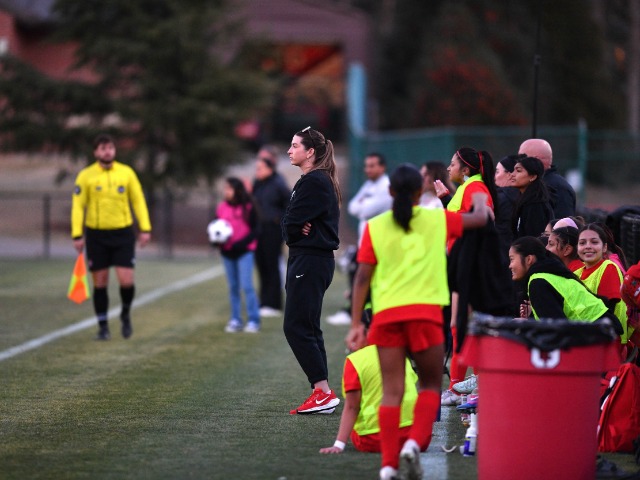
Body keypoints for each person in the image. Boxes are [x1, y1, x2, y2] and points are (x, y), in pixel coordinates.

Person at [346, 164, 491, 480]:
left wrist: (356, 323)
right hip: (425, 315)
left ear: (390, 192)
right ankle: (413, 443)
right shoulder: (436, 219)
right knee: (429, 385)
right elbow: (480, 219)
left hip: (387, 317)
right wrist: (480, 196)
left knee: (391, 393)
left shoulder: (375, 227)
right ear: (419, 191)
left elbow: (362, 278)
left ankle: (388, 465)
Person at [282, 126, 342, 415]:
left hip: (310, 260)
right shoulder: (312, 180)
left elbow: (290, 225)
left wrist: (294, 228)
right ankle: (322, 392)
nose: (289, 150)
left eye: (295, 146)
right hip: (309, 259)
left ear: (311, 152)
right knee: (308, 325)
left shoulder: (315, 181)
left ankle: (323, 392)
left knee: (296, 326)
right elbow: (291, 223)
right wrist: (293, 227)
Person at [71, 133, 151, 341]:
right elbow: (78, 206)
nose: (107, 152)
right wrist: (77, 234)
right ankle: (103, 326)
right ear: (95, 152)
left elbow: (138, 200)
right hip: (96, 235)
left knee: (126, 280)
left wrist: (145, 228)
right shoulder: (86, 176)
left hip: (122, 234)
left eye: (111, 148)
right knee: (100, 282)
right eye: (103, 148)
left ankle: (125, 313)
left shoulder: (126, 173)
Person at [437, 147, 498, 407]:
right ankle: (458, 386)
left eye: (452, 164)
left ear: (465, 169)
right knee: (458, 324)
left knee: (463, 324)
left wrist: (442, 216)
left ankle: (471, 383)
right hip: (463, 263)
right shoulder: (468, 187)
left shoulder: (475, 187)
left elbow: (484, 218)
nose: (448, 168)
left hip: (471, 265)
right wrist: (446, 202)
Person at [326, 152, 392, 326]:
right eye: (366, 166)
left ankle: (356, 314)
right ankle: (355, 312)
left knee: (364, 278)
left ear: (382, 167)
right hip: (365, 241)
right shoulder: (369, 185)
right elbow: (353, 207)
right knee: (356, 275)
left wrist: (363, 206)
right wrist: (363, 206)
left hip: (378, 244)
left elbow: (365, 211)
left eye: (372, 166)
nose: (367, 169)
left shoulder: (385, 187)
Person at [319, 345, 421, 455]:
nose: (349, 341)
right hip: (416, 438)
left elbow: (352, 407)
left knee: (356, 425)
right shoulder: (400, 353)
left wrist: (338, 444)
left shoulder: (355, 360)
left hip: (374, 440)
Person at [509, 236, 612, 323]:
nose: (510, 266)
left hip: (600, 332)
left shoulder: (537, 282)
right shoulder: (546, 275)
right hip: (601, 328)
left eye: (512, 259)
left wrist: (527, 327)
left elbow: (556, 329)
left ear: (529, 259)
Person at [214, 177, 261, 333]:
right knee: (233, 287)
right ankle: (235, 319)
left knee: (247, 286)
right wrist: (216, 242)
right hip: (227, 253)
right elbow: (215, 228)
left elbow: (256, 230)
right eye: (225, 188)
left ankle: (253, 320)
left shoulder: (248, 207)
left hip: (244, 252)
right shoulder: (221, 207)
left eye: (229, 188)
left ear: (237, 190)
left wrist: (241, 243)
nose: (226, 191)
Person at [575, 223, 630, 349]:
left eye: (594, 242)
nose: (588, 246)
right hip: (586, 339)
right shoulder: (576, 273)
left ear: (604, 247)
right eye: (582, 243)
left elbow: (606, 311)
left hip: (608, 342)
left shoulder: (608, 267)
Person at [252, 145, 291, 318]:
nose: (257, 171)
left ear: (269, 168)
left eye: (260, 168)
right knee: (261, 265)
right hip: (259, 230)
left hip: (272, 230)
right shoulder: (258, 184)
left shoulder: (278, 184)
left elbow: (289, 204)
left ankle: (274, 303)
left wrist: (279, 220)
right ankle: (264, 301)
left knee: (272, 265)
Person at [518, 138, 576, 219]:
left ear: (536, 159)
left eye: (521, 157)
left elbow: (563, 224)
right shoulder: (533, 184)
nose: (517, 162)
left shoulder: (558, 188)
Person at [511, 156, 554, 239]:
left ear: (532, 177)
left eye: (518, 171)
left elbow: (534, 238)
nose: (512, 174)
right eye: (513, 170)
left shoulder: (535, 205)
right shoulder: (524, 200)